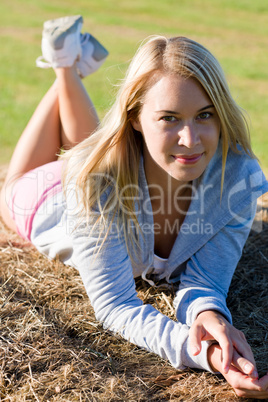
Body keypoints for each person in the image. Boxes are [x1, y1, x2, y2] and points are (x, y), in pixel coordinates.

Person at [1, 15, 268, 399]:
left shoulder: (236, 179)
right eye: (169, 118)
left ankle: (70, 65)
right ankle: (64, 65)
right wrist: (202, 353)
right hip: (47, 200)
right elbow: (115, 305)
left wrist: (210, 320)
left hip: (111, 167)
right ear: (136, 118)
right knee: (12, 187)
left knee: (89, 148)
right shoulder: (94, 184)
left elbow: (206, 284)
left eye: (205, 115)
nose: (191, 139)